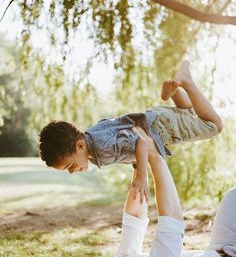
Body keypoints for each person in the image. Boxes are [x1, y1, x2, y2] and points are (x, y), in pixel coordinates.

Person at [49, 138, 236, 257]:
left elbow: (134, 219)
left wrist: (139, 161)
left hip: (222, 249)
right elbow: (172, 222)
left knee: (232, 197)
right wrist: (154, 154)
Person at [39, 61, 223, 203]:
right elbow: (128, 147)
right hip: (156, 119)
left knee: (213, 125)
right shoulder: (92, 139)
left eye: (70, 166)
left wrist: (142, 177)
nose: (72, 172)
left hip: (161, 129)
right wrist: (137, 169)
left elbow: (139, 142)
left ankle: (187, 82)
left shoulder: (100, 148)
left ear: (79, 146)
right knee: (189, 112)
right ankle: (173, 92)